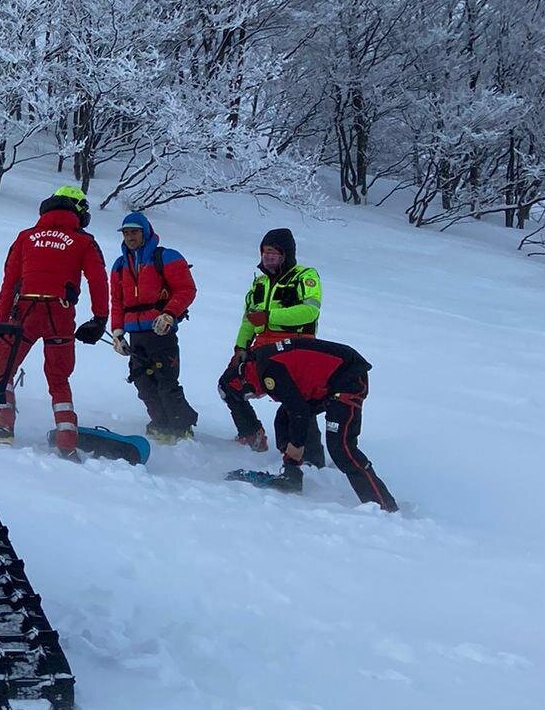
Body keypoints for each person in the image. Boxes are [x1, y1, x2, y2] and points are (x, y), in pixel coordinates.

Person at [0, 185, 108, 455]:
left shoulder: (25, 237)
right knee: (58, 378)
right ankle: (67, 442)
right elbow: (98, 280)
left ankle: (2, 428)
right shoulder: (84, 241)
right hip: (60, 312)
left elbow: (9, 282)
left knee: (4, 369)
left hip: (25, 311)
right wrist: (100, 319)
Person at [231, 334, 397, 511]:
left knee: (341, 447)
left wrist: (296, 445)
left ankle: (383, 506)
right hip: (330, 381)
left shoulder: (267, 372)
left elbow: (300, 412)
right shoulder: (259, 361)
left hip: (348, 378)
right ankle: (291, 474)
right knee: (284, 418)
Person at [218, 227, 322, 453]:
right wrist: (240, 347)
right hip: (263, 346)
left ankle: (310, 457)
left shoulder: (305, 276)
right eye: (265, 252)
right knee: (229, 385)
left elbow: (310, 312)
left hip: (297, 346)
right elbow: (249, 320)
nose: (268, 257)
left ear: (286, 255)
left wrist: (270, 316)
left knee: (296, 400)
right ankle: (252, 434)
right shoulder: (260, 284)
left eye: (274, 252)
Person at [108, 210, 198, 442]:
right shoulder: (119, 265)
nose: (130, 237)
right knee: (143, 382)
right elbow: (117, 302)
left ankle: (181, 426)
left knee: (165, 380)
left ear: (145, 232)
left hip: (162, 333)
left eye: (134, 232)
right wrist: (117, 333)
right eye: (126, 233)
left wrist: (169, 314)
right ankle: (161, 424)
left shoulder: (166, 257)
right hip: (136, 336)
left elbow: (186, 289)